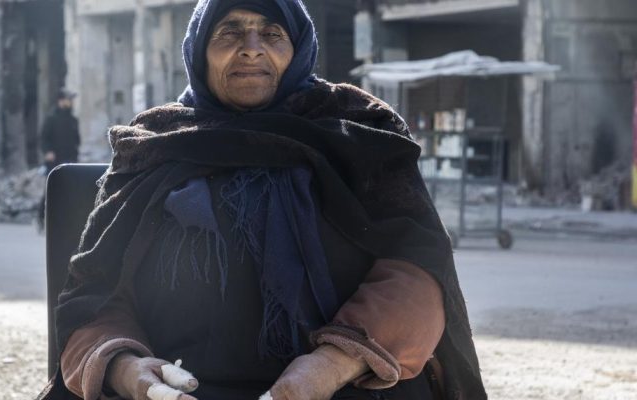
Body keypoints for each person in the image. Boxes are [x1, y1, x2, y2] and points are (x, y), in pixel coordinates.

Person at [38, 0, 486, 399]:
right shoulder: (154, 144)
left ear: (298, 49)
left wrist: (332, 365)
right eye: (229, 32)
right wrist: (127, 371)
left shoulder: (356, 130)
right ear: (198, 50)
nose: (251, 48)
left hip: (345, 383)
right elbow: (93, 293)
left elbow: (419, 271)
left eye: (271, 33)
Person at [38, 89, 82, 231]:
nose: (70, 102)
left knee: (69, 192)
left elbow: (76, 140)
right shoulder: (51, 118)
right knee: (50, 191)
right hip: (54, 161)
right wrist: (48, 152)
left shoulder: (73, 120)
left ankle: (65, 222)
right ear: (61, 101)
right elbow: (43, 138)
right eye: (68, 99)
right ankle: (41, 219)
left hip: (70, 161)